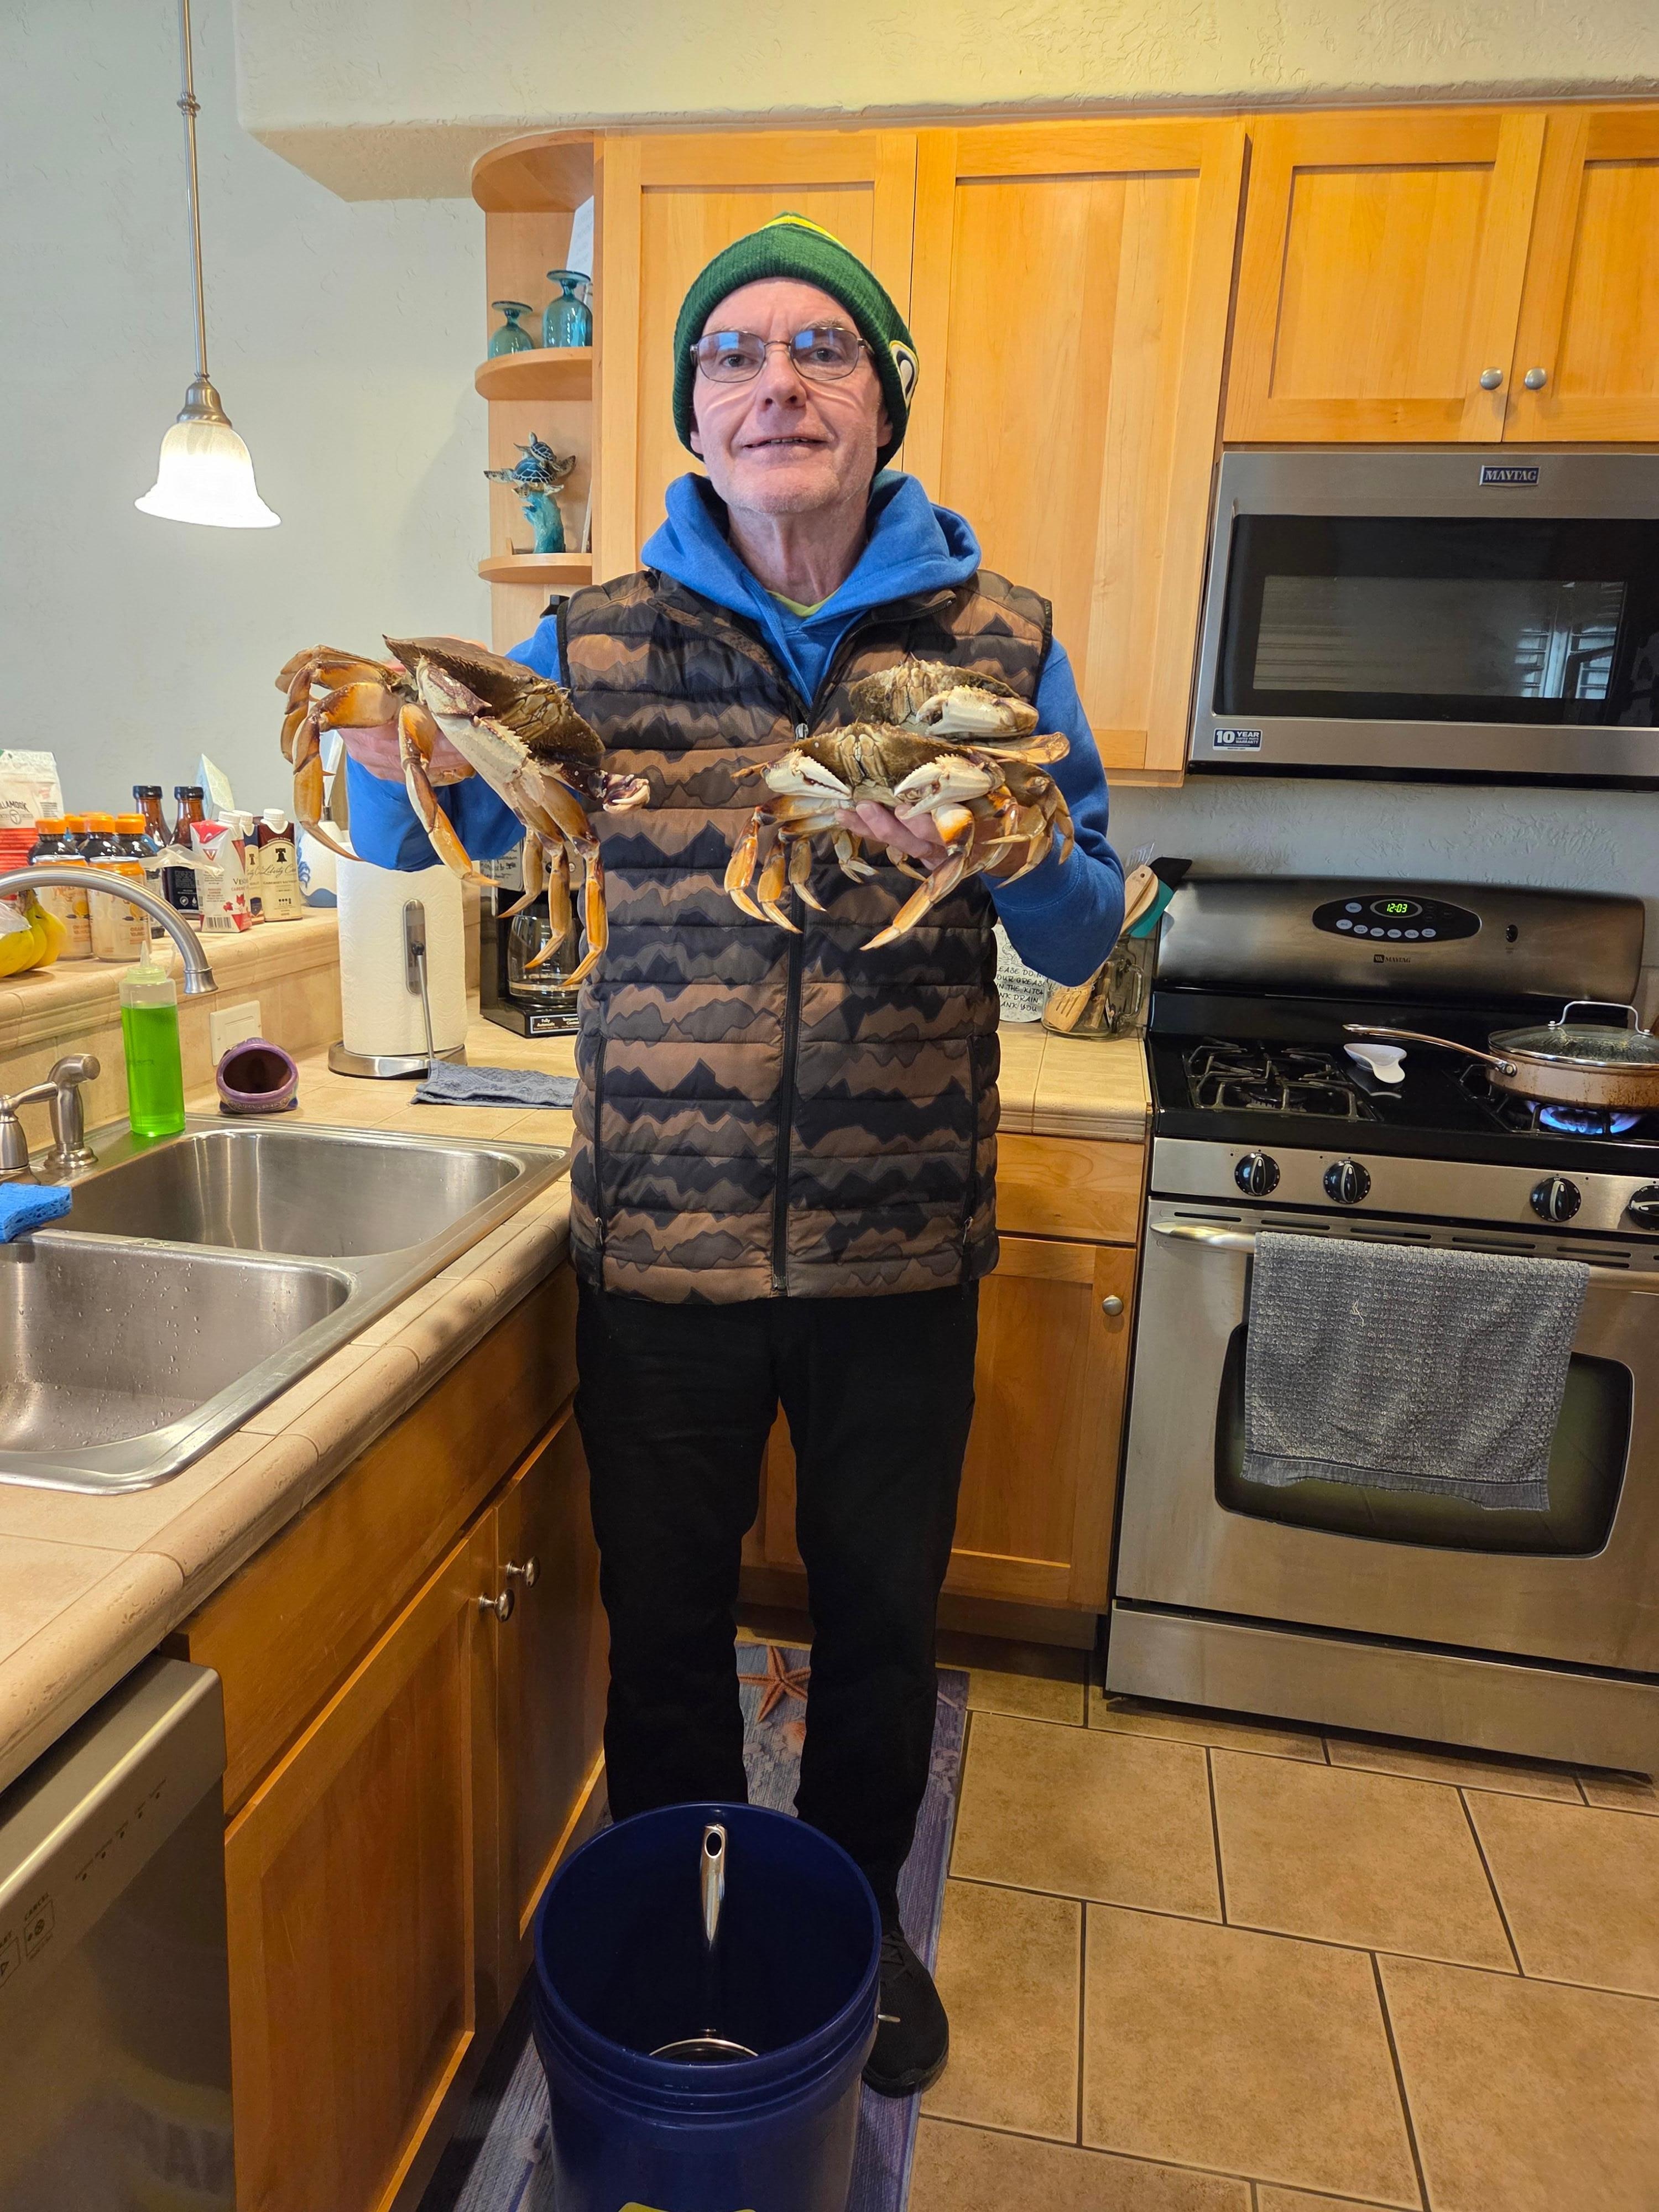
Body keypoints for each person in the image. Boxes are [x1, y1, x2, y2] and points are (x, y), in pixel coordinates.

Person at [346, 213, 1125, 2097]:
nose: (777, 384)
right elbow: (417, 828)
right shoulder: (590, 641)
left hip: (896, 1246)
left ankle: (853, 1934)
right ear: (695, 417)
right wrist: (399, 752)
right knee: (669, 1627)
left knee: (880, 1626)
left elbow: (1090, 924)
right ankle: (683, 1931)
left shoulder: (999, 640)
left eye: (820, 350)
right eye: (734, 356)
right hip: (664, 1249)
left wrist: (1011, 849)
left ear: (885, 401)